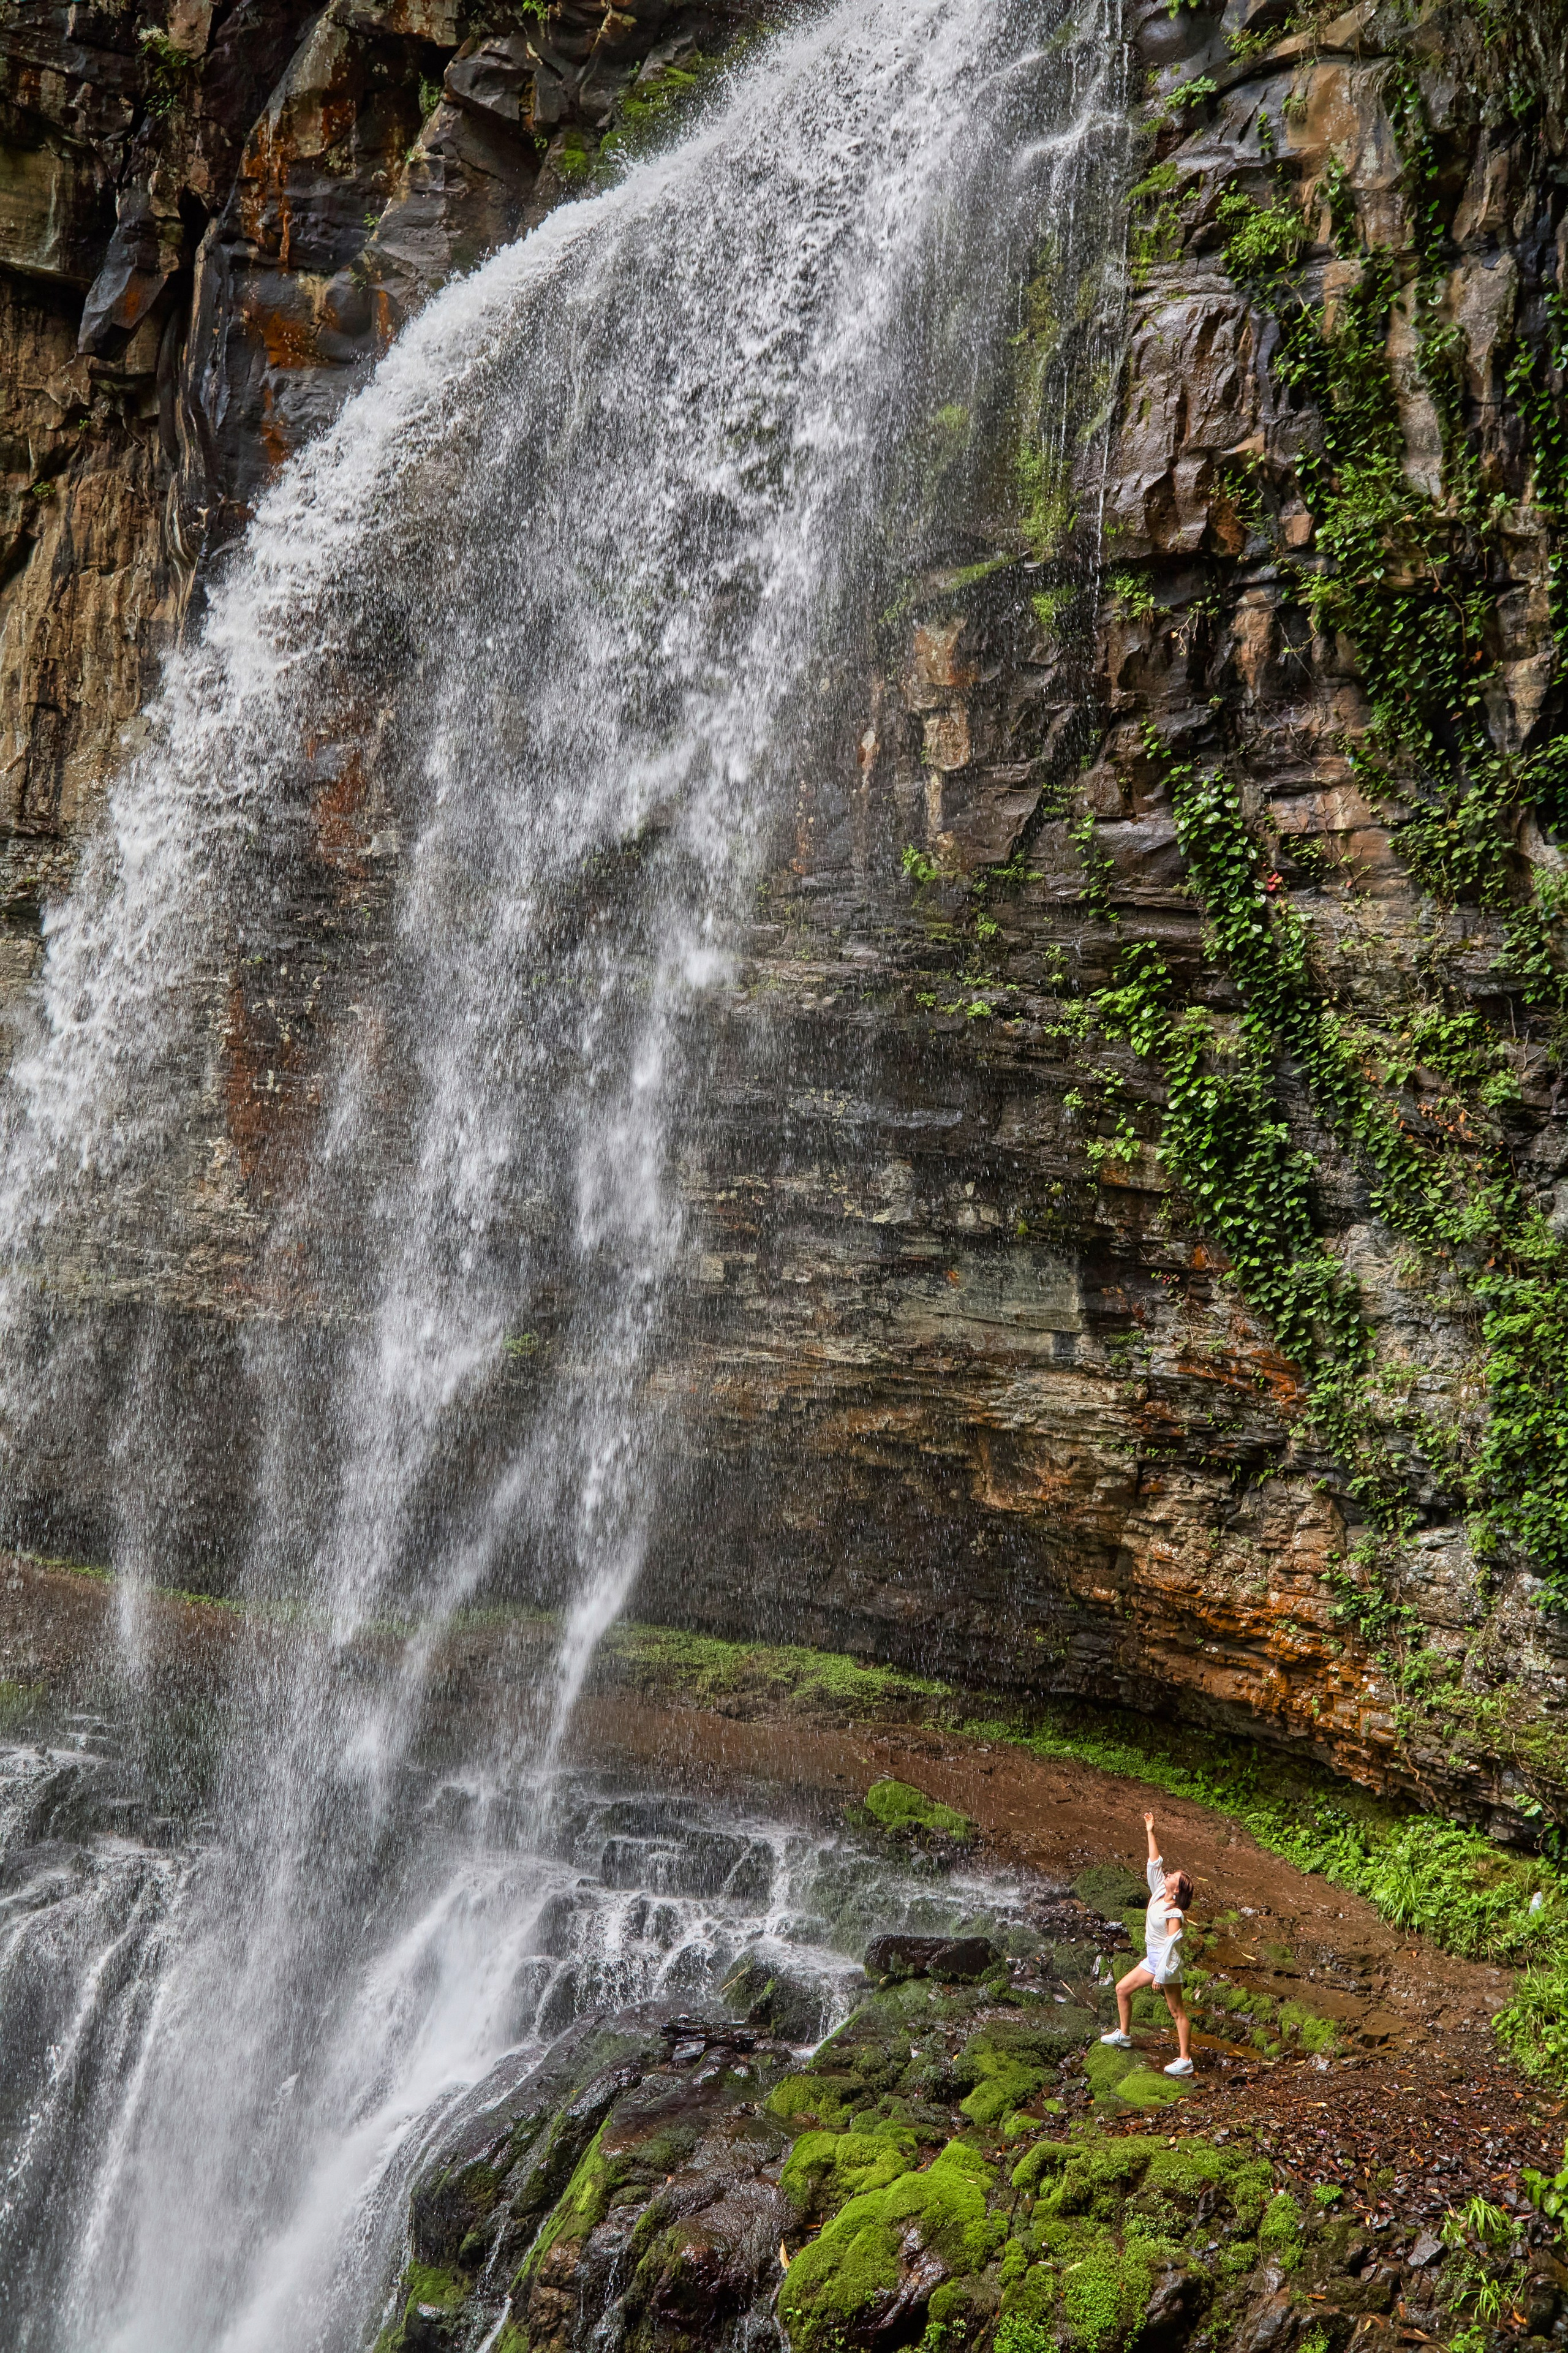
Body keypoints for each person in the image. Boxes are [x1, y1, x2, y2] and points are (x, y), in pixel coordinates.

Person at [1099, 1808, 1194, 2077]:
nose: (1167, 1876)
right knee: (1122, 1989)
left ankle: (1185, 2060)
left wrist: (1161, 1976)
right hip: (1152, 1959)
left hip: (1167, 1965)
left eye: (1172, 1877)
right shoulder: (1158, 1896)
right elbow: (1154, 1863)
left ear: (1176, 1890)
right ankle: (1125, 2035)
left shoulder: (1174, 1913)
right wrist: (1150, 1832)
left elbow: (1171, 1946)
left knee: (1177, 2011)